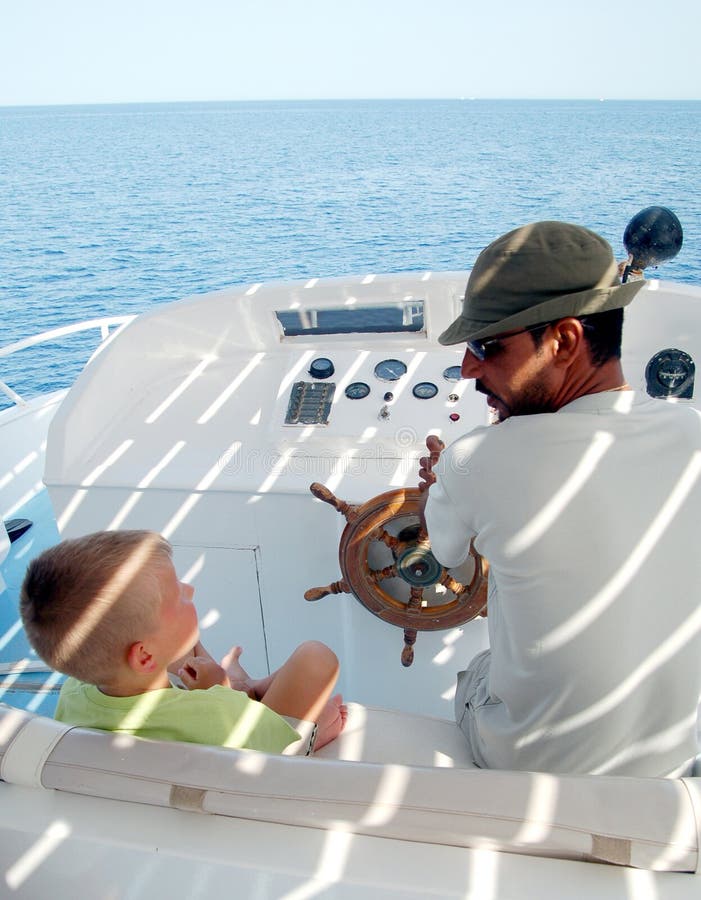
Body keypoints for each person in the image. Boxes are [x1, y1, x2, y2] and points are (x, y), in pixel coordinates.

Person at [419, 220, 701, 777]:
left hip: (532, 764)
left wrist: (442, 486)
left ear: (565, 341)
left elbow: (448, 559)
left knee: (478, 667)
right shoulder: (692, 432)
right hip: (679, 760)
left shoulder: (475, 459)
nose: (469, 367)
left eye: (485, 345)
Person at [20, 530, 346, 754]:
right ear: (145, 656)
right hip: (247, 739)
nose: (188, 589)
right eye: (178, 596)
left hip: (182, 715)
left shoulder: (74, 692)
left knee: (181, 650)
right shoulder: (216, 713)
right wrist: (222, 689)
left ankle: (245, 682)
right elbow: (274, 752)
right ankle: (245, 685)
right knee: (316, 657)